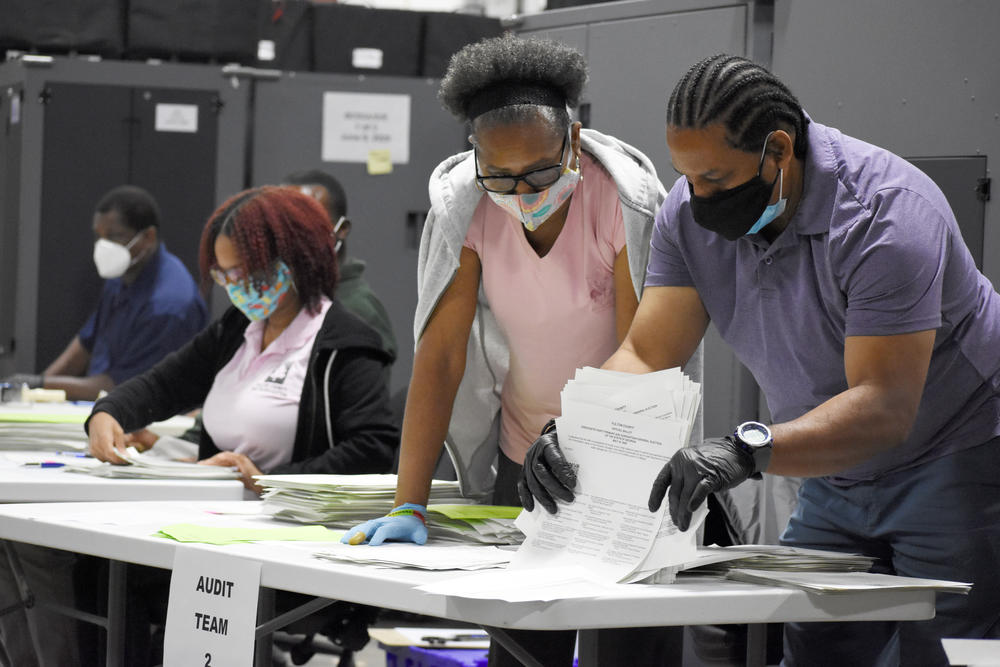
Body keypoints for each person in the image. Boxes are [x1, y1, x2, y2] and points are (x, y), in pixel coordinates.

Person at [522, 54, 1000, 666]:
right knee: (817, 648)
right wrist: (577, 428)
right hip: (832, 474)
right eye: (686, 177)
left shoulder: (887, 215)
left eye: (716, 180)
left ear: (779, 150)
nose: (697, 199)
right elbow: (646, 351)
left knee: (944, 652)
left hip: (955, 457)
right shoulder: (687, 215)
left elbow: (885, 406)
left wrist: (744, 449)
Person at [343, 35, 699, 666]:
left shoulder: (622, 201)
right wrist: (410, 501)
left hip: (630, 458)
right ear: (474, 156)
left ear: (574, 137)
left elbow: (640, 355)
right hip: (526, 459)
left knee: (631, 647)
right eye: (500, 174)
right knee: (524, 647)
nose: (523, 192)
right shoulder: (467, 209)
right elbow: (441, 357)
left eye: (539, 171)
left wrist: (586, 442)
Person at [1, 185, 207, 401]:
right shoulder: (124, 274)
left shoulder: (170, 305)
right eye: (99, 236)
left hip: (147, 419)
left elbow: (124, 386)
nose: (103, 246)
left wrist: (39, 385)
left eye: (114, 236)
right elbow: (85, 344)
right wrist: (32, 390)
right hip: (103, 406)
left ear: (148, 237)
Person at [283, 168, 398, 363]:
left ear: (341, 229)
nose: (293, 233)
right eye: (282, 222)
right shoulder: (280, 296)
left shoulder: (358, 309)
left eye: (308, 222)